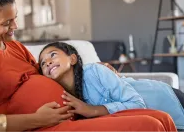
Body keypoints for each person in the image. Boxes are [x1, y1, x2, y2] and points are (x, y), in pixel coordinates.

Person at [0, 0, 178, 131]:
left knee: (163, 119)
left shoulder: (15, 47)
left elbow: (51, 74)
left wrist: (90, 69)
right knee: (150, 126)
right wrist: (37, 119)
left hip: (73, 117)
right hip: (44, 127)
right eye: (7, 23)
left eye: (15, 18)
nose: (14, 27)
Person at [39, 42, 184, 130]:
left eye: (52, 55)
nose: (48, 62)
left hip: (167, 100)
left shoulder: (95, 71)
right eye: (43, 63)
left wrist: (92, 110)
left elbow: (137, 103)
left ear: (72, 59)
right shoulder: (61, 95)